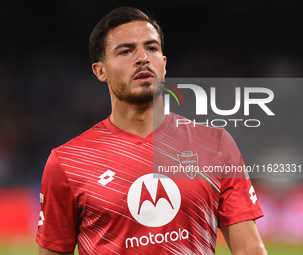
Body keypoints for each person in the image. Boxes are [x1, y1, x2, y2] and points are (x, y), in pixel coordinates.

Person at [36, 7, 267, 255]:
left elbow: (248, 247)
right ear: (100, 71)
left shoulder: (216, 144)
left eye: (152, 48)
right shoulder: (68, 162)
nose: (143, 58)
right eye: (126, 51)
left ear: (164, 64)